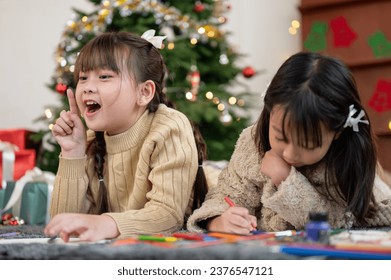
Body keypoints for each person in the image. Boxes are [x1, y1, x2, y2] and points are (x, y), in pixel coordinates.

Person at [187, 51, 391, 234]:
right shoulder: (253, 141)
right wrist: (218, 219)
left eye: (309, 145)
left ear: (337, 132)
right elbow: (227, 194)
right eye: (280, 137)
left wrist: (285, 180)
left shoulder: (346, 156)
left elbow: (343, 221)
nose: (290, 154)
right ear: (270, 112)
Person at [44, 30, 207, 242]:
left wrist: (107, 223)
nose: (87, 87)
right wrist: (72, 153)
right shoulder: (92, 140)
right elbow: (64, 225)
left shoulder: (168, 127)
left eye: (104, 77)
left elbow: (168, 215)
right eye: (83, 78)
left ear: (144, 93)